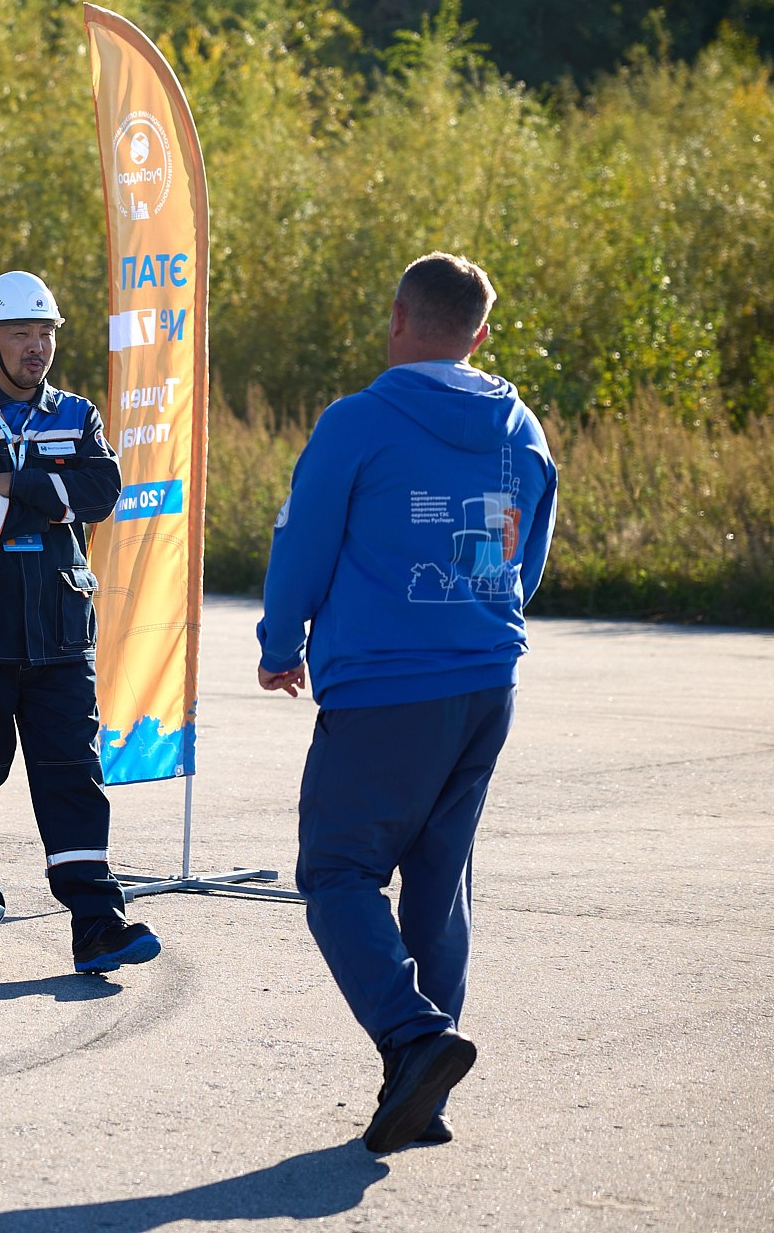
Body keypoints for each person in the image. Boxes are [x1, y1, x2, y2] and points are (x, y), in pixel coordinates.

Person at [257, 251, 557, 1153]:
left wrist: (281, 644)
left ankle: (415, 1035)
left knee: (337, 872)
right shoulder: (523, 431)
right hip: (487, 681)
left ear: (397, 317)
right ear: (481, 335)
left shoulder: (358, 422)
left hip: (387, 685)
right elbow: (525, 562)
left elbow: (304, 541)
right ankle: (422, 1091)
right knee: (438, 880)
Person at [0, 270, 161, 972]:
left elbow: (102, 490)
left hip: (59, 630)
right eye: (21, 333)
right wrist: (52, 502)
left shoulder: (78, 416)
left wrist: (13, 483)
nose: (36, 347)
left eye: (45, 332)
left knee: (74, 775)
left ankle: (98, 923)